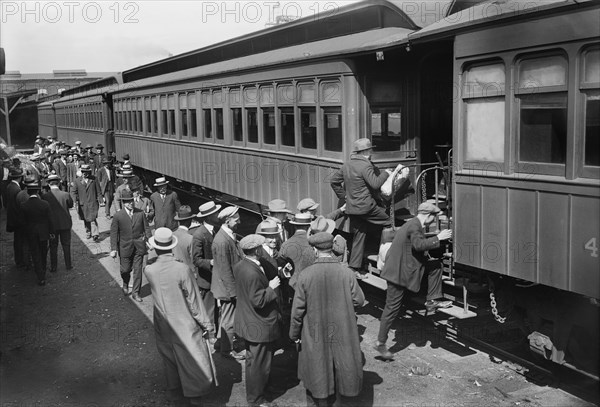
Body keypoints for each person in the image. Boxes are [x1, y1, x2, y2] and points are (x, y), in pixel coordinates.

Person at [290, 232, 365, 406]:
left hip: (315, 331)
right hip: (342, 329)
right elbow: (359, 300)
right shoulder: (346, 272)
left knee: (318, 367)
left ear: (315, 251)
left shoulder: (306, 275)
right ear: (332, 249)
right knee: (342, 367)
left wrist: (294, 334)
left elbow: (297, 311)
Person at [144, 227, 217, 406]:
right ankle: (194, 394)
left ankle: (174, 392)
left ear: (156, 247)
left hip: (162, 322)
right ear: (171, 246)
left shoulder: (150, 270)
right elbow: (194, 301)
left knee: (169, 357)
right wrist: (207, 325)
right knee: (191, 357)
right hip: (184, 323)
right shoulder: (181, 269)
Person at [374, 202, 453, 360]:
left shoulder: (412, 223)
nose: (434, 220)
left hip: (400, 268)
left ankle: (431, 300)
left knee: (435, 266)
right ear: (429, 216)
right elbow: (418, 245)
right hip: (398, 274)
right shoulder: (415, 227)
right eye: (434, 217)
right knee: (391, 309)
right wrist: (439, 237)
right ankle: (380, 342)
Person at [330, 138, 400, 278]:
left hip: (352, 208)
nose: (371, 152)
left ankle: (354, 268)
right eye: (370, 150)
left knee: (359, 235)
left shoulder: (347, 165)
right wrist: (386, 173)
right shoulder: (365, 165)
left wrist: (344, 197)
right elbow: (375, 184)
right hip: (367, 207)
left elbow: (334, 181)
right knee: (388, 223)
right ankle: (386, 257)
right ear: (366, 152)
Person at [234, 234, 281, 407]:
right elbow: (258, 301)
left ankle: (260, 392)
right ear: (255, 250)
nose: (263, 248)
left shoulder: (241, 265)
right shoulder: (251, 272)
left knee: (254, 361)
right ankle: (256, 400)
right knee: (259, 365)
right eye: (260, 247)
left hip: (248, 321)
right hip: (259, 324)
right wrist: (271, 288)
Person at [211, 205, 245, 360]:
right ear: (227, 220)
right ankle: (228, 350)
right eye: (236, 219)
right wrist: (234, 293)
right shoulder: (222, 241)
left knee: (226, 317)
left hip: (227, 286)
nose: (239, 221)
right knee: (229, 320)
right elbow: (225, 270)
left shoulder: (227, 235)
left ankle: (221, 344)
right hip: (227, 288)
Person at [110, 189, 152, 302]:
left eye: (132, 201)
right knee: (125, 270)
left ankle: (135, 293)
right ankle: (125, 283)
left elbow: (147, 228)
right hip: (124, 248)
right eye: (128, 201)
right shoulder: (118, 216)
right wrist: (113, 249)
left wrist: (149, 240)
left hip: (139, 247)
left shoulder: (140, 213)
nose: (131, 203)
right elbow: (114, 233)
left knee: (138, 270)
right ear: (123, 203)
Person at [192, 201, 221, 327]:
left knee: (217, 311)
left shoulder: (217, 230)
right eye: (216, 213)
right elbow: (196, 260)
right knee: (209, 312)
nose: (218, 215)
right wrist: (211, 262)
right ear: (209, 217)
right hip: (207, 281)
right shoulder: (199, 235)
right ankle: (209, 337)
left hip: (217, 279)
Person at [20, 178, 54, 286]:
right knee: (43, 253)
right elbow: (50, 220)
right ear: (38, 191)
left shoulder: (24, 205)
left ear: (28, 192)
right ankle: (43, 271)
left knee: (35, 254)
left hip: (31, 233)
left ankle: (40, 277)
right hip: (43, 233)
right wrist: (51, 232)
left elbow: (23, 222)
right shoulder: (45, 204)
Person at [43, 174, 74, 272]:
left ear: (48, 184)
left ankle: (53, 267)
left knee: (53, 246)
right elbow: (70, 205)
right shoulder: (65, 194)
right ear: (59, 183)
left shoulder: (45, 196)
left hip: (52, 226)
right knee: (66, 245)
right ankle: (68, 265)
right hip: (65, 224)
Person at [278, 212, 316, 290]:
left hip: (292, 286)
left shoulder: (286, 244)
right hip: (311, 285)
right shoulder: (314, 244)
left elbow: (279, 266)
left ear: (294, 225)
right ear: (309, 226)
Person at [73, 164, 101, 241]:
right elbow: (74, 192)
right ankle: (88, 232)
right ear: (81, 172)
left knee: (93, 218)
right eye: (84, 172)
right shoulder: (77, 181)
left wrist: (101, 199)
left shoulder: (94, 179)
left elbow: (98, 190)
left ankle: (95, 234)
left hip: (93, 202)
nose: (85, 173)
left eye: (87, 172)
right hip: (83, 203)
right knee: (86, 218)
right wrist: (75, 201)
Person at [5, 168, 26, 266]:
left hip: (12, 217)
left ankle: (18, 259)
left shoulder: (10, 186)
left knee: (17, 240)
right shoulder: (16, 189)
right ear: (19, 177)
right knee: (20, 240)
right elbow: (18, 205)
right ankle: (20, 260)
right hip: (17, 218)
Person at [172, 205, 196, 275]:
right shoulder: (190, 238)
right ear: (190, 221)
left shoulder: (171, 235)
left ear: (178, 221)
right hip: (187, 273)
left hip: (172, 272)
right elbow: (193, 259)